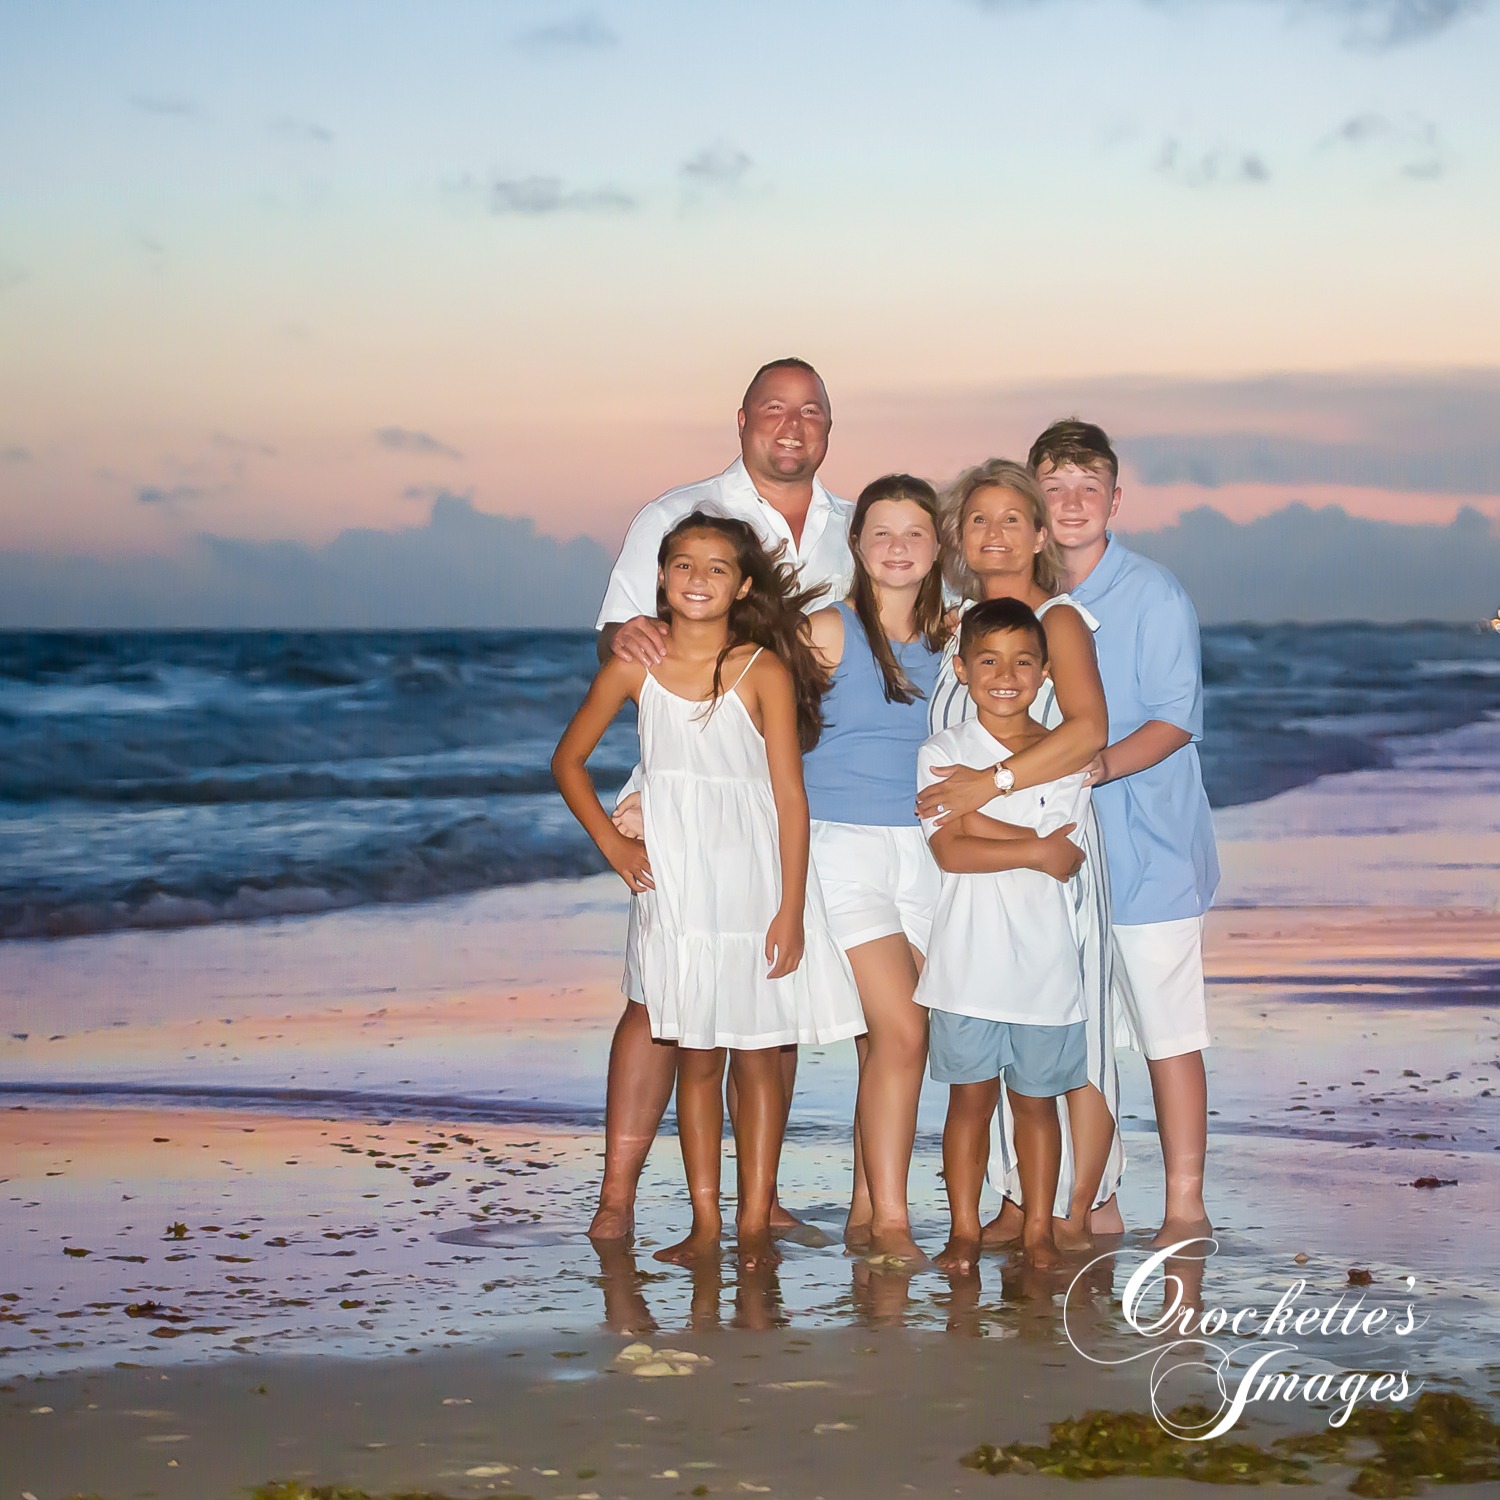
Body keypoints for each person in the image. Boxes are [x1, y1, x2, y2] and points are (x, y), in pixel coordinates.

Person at [553, 511, 864, 1266]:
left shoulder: (764, 669)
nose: (698, 578)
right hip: (677, 888)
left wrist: (791, 908)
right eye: (683, 564)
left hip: (753, 882)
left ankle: (755, 1219)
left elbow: (789, 797)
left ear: (743, 585)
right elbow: (567, 762)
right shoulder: (633, 669)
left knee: (758, 1052)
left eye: (717, 567)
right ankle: (705, 1223)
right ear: (660, 577)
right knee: (693, 1053)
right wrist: (614, 846)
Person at [917, 460, 1122, 1248]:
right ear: (958, 536)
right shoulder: (961, 626)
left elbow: (1085, 731)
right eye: (977, 520)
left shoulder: (1059, 620)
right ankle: (1008, 1205)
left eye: (1012, 519)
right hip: (971, 868)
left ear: (1039, 534)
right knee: (983, 1053)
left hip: (1053, 851)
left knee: (1074, 1034)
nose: (993, 534)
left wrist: (987, 785)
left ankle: (1080, 1208)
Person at [1031, 419, 1218, 1248]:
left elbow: (1175, 720)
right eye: (1055, 486)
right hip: (1064, 860)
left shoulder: (1154, 594)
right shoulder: (1026, 599)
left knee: (1166, 1031)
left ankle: (1184, 1206)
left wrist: (1090, 768)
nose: (1072, 502)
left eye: (1088, 486)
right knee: (1089, 1039)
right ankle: (1096, 1200)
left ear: (1115, 498)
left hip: (1151, 855)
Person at [915, 598, 1094, 1271]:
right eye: (987, 660)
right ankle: (963, 1230)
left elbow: (1067, 850)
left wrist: (976, 807)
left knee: (1037, 1107)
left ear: (1045, 672)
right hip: (966, 963)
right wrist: (1030, 845)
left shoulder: (1063, 751)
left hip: (1045, 967)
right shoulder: (943, 750)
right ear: (961, 669)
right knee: (969, 1103)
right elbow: (950, 851)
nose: (1005, 674)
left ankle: (1039, 1232)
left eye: (1023, 661)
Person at [800, 474, 948, 1265]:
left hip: (926, 851)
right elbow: (743, 712)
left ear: (937, 547)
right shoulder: (827, 629)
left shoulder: (955, 641)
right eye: (881, 531)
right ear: (856, 544)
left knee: (879, 1041)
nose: (897, 547)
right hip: (843, 845)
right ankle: (893, 1224)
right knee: (903, 1030)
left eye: (914, 532)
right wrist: (649, 793)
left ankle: (863, 1208)